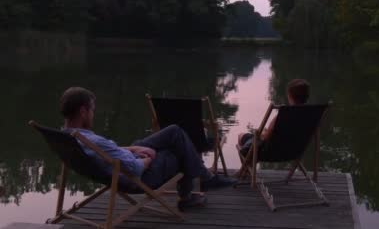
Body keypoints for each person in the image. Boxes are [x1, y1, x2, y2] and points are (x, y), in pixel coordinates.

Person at [60, 87, 236, 211]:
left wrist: (134, 148)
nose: (93, 114)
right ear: (83, 111)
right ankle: (196, 188)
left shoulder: (69, 136)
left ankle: (202, 179)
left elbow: (104, 151)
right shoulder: (90, 139)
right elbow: (135, 169)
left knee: (174, 132)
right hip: (139, 175)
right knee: (180, 150)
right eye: (92, 110)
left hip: (122, 164)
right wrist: (149, 157)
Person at [237, 79, 310, 156]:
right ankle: (249, 167)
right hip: (295, 151)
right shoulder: (311, 114)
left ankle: (247, 167)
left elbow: (266, 138)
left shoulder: (285, 114)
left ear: (290, 96)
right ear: (307, 96)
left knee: (241, 136)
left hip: (272, 152)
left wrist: (262, 134)